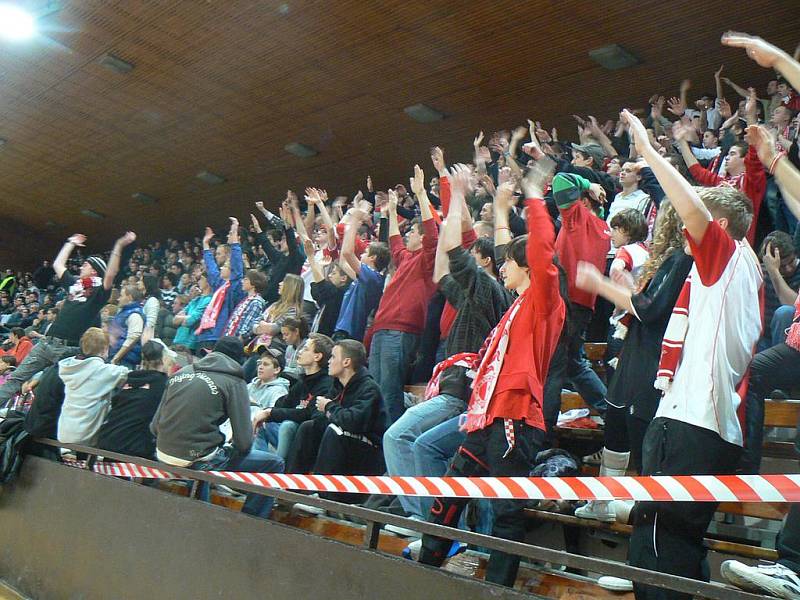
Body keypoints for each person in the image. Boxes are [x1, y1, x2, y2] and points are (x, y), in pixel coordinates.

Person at [620, 108, 762, 599]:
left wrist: (649, 152)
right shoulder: (732, 270)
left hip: (693, 425)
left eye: (695, 214)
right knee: (673, 553)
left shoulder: (727, 256)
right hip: (697, 422)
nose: (683, 224)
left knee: (658, 559)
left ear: (718, 223)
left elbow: (694, 213)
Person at [419, 164, 566, 588]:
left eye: (509, 264)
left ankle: (500, 587)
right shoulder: (514, 306)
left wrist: (535, 197)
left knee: (506, 510)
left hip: (515, 419)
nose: (502, 267)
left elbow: (540, 252)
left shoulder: (543, 305)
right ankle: (426, 563)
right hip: (488, 417)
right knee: (450, 491)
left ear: (527, 268)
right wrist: (493, 205)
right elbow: (509, 250)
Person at [384, 165, 511, 526]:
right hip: (456, 388)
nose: (464, 264)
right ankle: (429, 522)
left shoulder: (489, 291)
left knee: (400, 436)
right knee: (410, 441)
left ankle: (425, 522)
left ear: (485, 261)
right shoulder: (472, 298)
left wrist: (456, 197)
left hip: (462, 393)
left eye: (473, 259)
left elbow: (453, 250)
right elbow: (441, 270)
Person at [575, 200, 693, 526]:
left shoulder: (682, 260)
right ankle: (603, 501)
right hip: (635, 354)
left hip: (653, 361)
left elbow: (651, 309)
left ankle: (642, 525)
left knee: (642, 444)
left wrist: (602, 286)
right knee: (615, 426)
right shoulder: (666, 260)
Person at [150, 336, 284, 519]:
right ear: (239, 360)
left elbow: (154, 427)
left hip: (162, 452)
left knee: (206, 454)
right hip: (197, 459)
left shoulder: (180, 373)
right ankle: (249, 522)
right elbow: (244, 444)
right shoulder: (235, 383)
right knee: (275, 463)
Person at [0, 231, 135, 407]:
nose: (80, 268)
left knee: (59, 390)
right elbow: (58, 264)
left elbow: (111, 273)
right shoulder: (74, 285)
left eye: (85, 265)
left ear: (94, 270)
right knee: (16, 378)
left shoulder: (100, 292)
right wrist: (70, 243)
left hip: (68, 350)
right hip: (47, 343)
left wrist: (118, 245)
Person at [369, 164, 439, 424]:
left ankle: (394, 450)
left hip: (401, 330)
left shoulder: (428, 260)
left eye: (413, 232)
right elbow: (394, 242)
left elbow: (433, 234)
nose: (408, 235)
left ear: (421, 238)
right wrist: (390, 211)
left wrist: (421, 194)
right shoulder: (407, 258)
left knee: (389, 391)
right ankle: (380, 446)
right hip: (382, 329)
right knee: (376, 390)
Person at [251, 333, 335, 460]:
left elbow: (308, 414)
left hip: (310, 442)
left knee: (288, 425)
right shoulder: (303, 382)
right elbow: (283, 404)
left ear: (317, 356)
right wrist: (267, 412)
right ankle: (257, 467)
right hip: (291, 436)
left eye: (306, 349)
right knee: (263, 421)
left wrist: (271, 412)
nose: (300, 351)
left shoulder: (326, 383)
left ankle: (281, 469)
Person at [97, 341, 171, 459]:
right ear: (163, 359)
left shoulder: (130, 378)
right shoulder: (164, 384)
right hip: (135, 446)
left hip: (108, 438)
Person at [57, 327, 130, 446]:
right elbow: (128, 375)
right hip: (85, 438)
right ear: (105, 349)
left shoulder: (70, 366)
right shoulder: (104, 370)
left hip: (64, 432)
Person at [196, 219, 245, 353]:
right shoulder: (220, 285)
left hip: (219, 336)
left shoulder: (234, 288)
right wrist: (205, 245)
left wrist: (234, 238)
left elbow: (237, 267)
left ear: (231, 271)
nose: (221, 268)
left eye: (225, 266)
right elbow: (211, 269)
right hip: (204, 335)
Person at [172, 274, 213, 353]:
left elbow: (192, 320)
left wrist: (184, 318)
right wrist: (186, 318)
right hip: (178, 339)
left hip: (190, 343)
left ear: (208, 282)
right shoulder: (196, 299)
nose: (199, 282)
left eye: (201, 279)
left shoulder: (208, 300)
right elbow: (174, 320)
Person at [223, 269, 268, 339]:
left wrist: (237, 340)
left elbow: (247, 327)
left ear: (254, 283)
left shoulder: (256, 302)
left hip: (235, 343)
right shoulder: (245, 300)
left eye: (246, 279)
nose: (242, 281)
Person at [108, 285, 145, 369]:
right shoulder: (123, 312)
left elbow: (133, 337)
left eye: (121, 296)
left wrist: (115, 358)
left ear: (129, 297)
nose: (118, 299)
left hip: (124, 361)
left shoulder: (135, 314)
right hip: (116, 358)